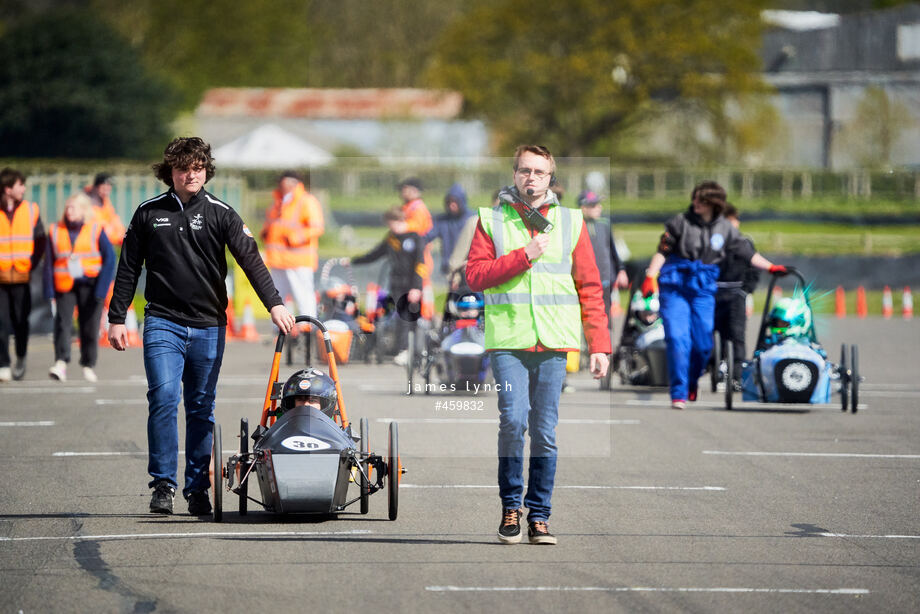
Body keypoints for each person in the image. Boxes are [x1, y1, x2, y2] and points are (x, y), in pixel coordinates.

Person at [107, 137, 295, 516]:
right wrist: (116, 317)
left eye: (196, 167)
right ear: (170, 173)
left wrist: (274, 303)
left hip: (209, 325)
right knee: (162, 398)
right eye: (182, 168)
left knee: (200, 408)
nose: (190, 174)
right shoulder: (147, 213)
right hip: (162, 322)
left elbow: (250, 260)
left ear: (206, 170)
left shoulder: (222, 213)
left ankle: (197, 489)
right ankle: (162, 484)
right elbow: (128, 266)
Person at [466, 145, 610, 546]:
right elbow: (475, 276)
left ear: (550, 179)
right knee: (513, 422)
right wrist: (522, 257)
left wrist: (599, 344)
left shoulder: (571, 222)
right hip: (509, 341)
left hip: (554, 341)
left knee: (544, 432)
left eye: (539, 172)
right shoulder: (491, 219)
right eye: (525, 171)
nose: (531, 178)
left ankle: (540, 516)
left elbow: (591, 286)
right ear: (514, 174)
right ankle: (511, 507)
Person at [640, 181, 787, 410]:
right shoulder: (681, 222)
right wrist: (650, 275)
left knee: (703, 345)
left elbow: (748, 253)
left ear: (714, 204)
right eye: (695, 198)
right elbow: (663, 250)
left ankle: (691, 380)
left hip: (703, 288)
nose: (695, 203)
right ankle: (678, 392)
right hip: (675, 285)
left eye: (702, 200)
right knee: (678, 339)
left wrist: (771, 267)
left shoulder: (725, 229)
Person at [44, 192, 116, 382]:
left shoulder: (95, 229)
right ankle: (61, 362)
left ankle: (88, 364)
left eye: (73, 207)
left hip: (91, 285)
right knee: (63, 323)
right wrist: (49, 289)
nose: (69, 211)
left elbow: (110, 259)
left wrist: (102, 289)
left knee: (89, 326)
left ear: (84, 210)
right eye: (67, 207)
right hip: (65, 284)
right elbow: (49, 263)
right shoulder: (55, 230)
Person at [345, 206, 424, 365]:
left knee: (407, 317)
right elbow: (375, 254)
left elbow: (420, 265)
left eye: (391, 223)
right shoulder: (391, 238)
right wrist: (354, 261)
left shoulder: (415, 238)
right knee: (393, 316)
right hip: (396, 283)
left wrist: (416, 287)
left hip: (411, 285)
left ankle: (407, 350)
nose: (390, 227)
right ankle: (397, 347)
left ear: (399, 221)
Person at [0, 168, 46, 382]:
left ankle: (20, 355)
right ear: (8, 189)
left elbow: (40, 240)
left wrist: (32, 264)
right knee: (1, 321)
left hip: (22, 276)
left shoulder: (30, 210)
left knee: (20, 320)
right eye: (20, 185)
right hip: (0, 277)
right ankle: (3, 363)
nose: (24, 189)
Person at [261, 170, 324, 317]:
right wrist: (265, 233)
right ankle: (280, 332)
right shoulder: (278, 202)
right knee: (276, 300)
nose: (279, 185)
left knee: (303, 298)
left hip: (298, 261)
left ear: (292, 183)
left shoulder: (306, 201)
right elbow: (272, 224)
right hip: (277, 260)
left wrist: (296, 237)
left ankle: (307, 330)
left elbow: (317, 227)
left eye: (282, 182)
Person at [713, 203, 759, 389]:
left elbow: (754, 269)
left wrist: (745, 290)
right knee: (710, 334)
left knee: (736, 335)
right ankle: (713, 366)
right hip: (714, 295)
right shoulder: (712, 244)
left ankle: (738, 375)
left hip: (736, 295)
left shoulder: (744, 243)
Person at [576, 190, 629, 319]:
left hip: (606, 277)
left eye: (599, 204)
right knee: (585, 314)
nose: (599, 207)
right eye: (594, 205)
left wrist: (621, 270)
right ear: (583, 208)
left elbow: (612, 249)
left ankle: (605, 337)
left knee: (604, 313)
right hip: (584, 279)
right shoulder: (576, 225)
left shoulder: (604, 224)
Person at [397, 177, 434, 319]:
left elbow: (414, 228)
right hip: (410, 259)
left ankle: (426, 320)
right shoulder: (408, 207)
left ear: (414, 190)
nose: (401, 192)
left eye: (404, 189)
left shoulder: (418, 208)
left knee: (422, 289)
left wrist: (400, 227)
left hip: (420, 258)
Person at [426, 182, 473, 276]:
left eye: (455, 202)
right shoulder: (442, 220)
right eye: (449, 202)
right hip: (450, 268)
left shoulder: (472, 219)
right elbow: (426, 236)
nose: (452, 205)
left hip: (469, 267)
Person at [85, 173, 126, 247]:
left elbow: (114, 219)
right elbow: (99, 227)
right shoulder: (86, 201)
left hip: (111, 239)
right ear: (96, 187)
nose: (106, 191)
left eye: (108, 188)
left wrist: (122, 235)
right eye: (104, 187)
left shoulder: (104, 200)